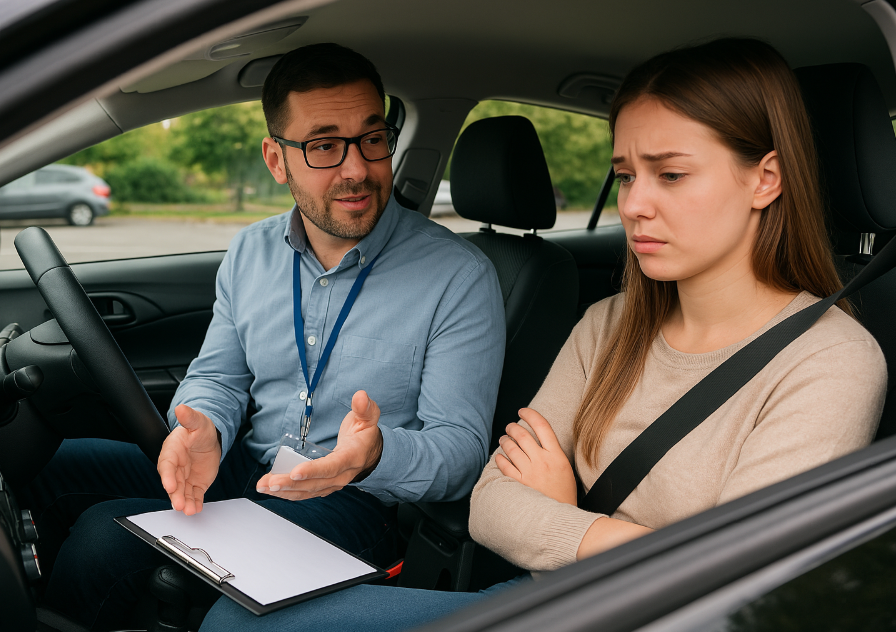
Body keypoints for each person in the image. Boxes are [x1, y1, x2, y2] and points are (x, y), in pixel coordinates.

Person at [194, 37, 887, 631]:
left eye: (671, 174)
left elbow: (736, 591)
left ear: (765, 178)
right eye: (625, 176)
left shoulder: (829, 361)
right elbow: (493, 506)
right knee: (236, 617)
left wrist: (564, 517)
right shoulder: (608, 326)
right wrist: (596, 536)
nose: (636, 205)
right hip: (547, 599)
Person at [18, 43, 505, 629]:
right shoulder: (251, 251)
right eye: (325, 146)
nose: (357, 169)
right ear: (278, 160)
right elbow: (219, 376)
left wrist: (373, 456)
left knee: (105, 536)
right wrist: (201, 427)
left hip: (354, 501)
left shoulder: (458, 275)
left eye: (372, 139)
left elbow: (461, 448)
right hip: (243, 462)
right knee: (51, 463)